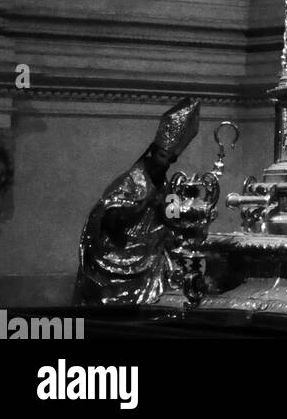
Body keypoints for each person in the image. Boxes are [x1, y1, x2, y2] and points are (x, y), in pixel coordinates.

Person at [75, 98, 200, 306]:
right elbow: (109, 219)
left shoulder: (168, 185)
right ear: (152, 152)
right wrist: (142, 204)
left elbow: (174, 219)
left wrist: (184, 199)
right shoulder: (129, 181)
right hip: (120, 249)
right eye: (162, 156)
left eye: (169, 159)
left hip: (152, 252)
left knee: (170, 265)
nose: (164, 162)